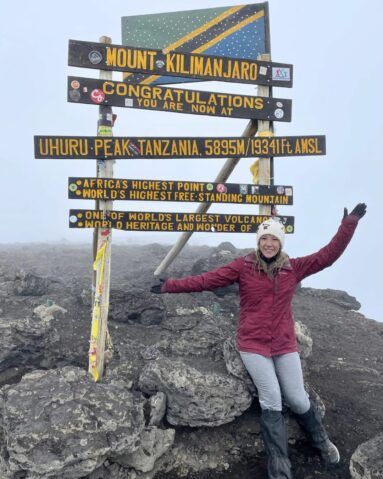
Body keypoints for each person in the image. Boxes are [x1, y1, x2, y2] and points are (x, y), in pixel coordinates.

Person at [150, 203, 367, 478]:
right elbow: (207, 280)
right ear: (258, 242)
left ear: (280, 243)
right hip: (253, 345)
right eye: (264, 238)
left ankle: (321, 441)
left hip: (285, 344)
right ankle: (279, 470)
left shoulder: (293, 268)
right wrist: (170, 286)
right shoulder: (243, 266)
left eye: (274, 239)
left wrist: (348, 224)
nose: (268, 243)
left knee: (298, 399)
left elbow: (328, 256)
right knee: (272, 399)